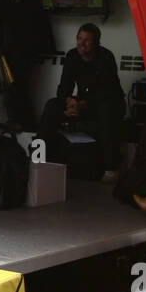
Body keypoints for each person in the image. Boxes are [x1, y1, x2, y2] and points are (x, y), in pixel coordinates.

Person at [38, 23, 125, 177]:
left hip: (109, 102)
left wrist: (80, 105)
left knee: (106, 109)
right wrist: (69, 102)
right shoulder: (72, 55)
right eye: (79, 38)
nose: (81, 43)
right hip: (82, 103)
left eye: (87, 40)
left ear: (96, 43)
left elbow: (105, 92)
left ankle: (112, 168)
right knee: (52, 105)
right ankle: (42, 159)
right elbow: (64, 87)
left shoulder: (106, 57)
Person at [0, 0, 53, 129]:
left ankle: (25, 124)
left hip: (24, 46)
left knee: (19, 87)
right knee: (12, 87)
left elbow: (30, 15)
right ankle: (18, 121)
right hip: (10, 44)